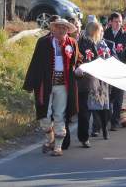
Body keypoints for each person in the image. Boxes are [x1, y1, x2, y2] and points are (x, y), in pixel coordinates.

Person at [23, 19, 81, 156]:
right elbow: (35, 62)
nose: (61, 30)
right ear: (53, 29)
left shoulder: (72, 43)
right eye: (58, 27)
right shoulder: (43, 43)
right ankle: (50, 138)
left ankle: (58, 147)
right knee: (45, 115)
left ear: (68, 30)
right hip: (46, 84)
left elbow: (78, 59)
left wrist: (79, 68)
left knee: (60, 114)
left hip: (64, 85)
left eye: (64, 28)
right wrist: (30, 84)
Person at [77, 22, 113, 147]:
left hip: (97, 81)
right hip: (85, 82)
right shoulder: (84, 42)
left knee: (102, 108)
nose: (101, 33)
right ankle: (85, 137)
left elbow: (101, 59)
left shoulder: (99, 43)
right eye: (100, 31)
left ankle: (102, 130)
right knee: (85, 111)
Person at [103, 12, 126, 130]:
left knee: (118, 98)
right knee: (107, 97)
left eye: (120, 22)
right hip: (107, 70)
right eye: (116, 21)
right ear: (110, 22)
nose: (118, 24)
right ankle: (103, 121)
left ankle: (115, 122)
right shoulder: (104, 34)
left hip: (120, 70)